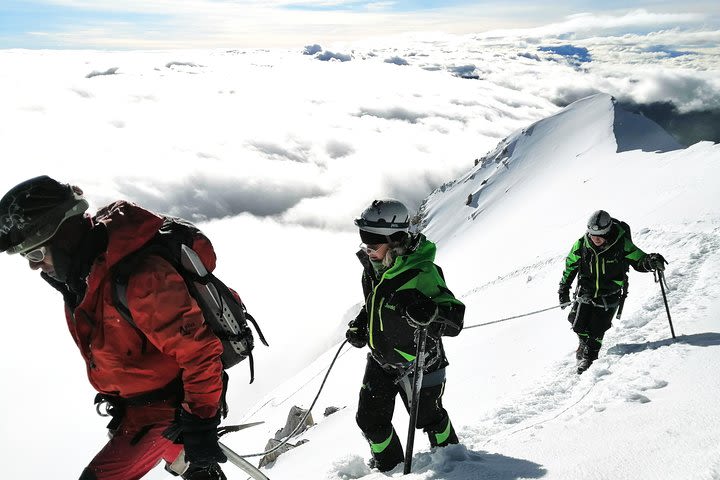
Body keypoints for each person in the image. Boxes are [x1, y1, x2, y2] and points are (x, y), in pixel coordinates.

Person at [0, 176, 228, 480]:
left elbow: (200, 353)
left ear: (64, 235)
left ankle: (189, 453)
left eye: (36, 253)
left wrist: (201, 423)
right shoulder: (83, 277)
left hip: (167, 409)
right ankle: (191, 462)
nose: (34, 265)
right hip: (137, 407)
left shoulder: (143, 279)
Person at [345, 199, 465, 472]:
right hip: (382, 359)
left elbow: (455, 319)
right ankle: (389, 468)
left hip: (421, 361)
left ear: (396, 241)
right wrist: (362, 324)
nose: (368, 249)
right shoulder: (373, 268)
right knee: (369, 421)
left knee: (429, 418)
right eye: (365, 241)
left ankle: (454, 463)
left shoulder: (423, 272)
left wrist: (430, 311)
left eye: (373, 243)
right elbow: (374, 303)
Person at [558, 209, 667, 374]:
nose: (595, 239)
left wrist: (650, 262)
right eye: (592, 235)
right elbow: (571, 266)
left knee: (597, 328)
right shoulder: (581, 244)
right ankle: (584, 343)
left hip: (610, 292)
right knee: (577, 323)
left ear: (607, 232)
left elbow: (639, 260)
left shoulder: (621, 244)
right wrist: (564, 289)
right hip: (586, 291)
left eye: (599, 236)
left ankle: (589, 357)